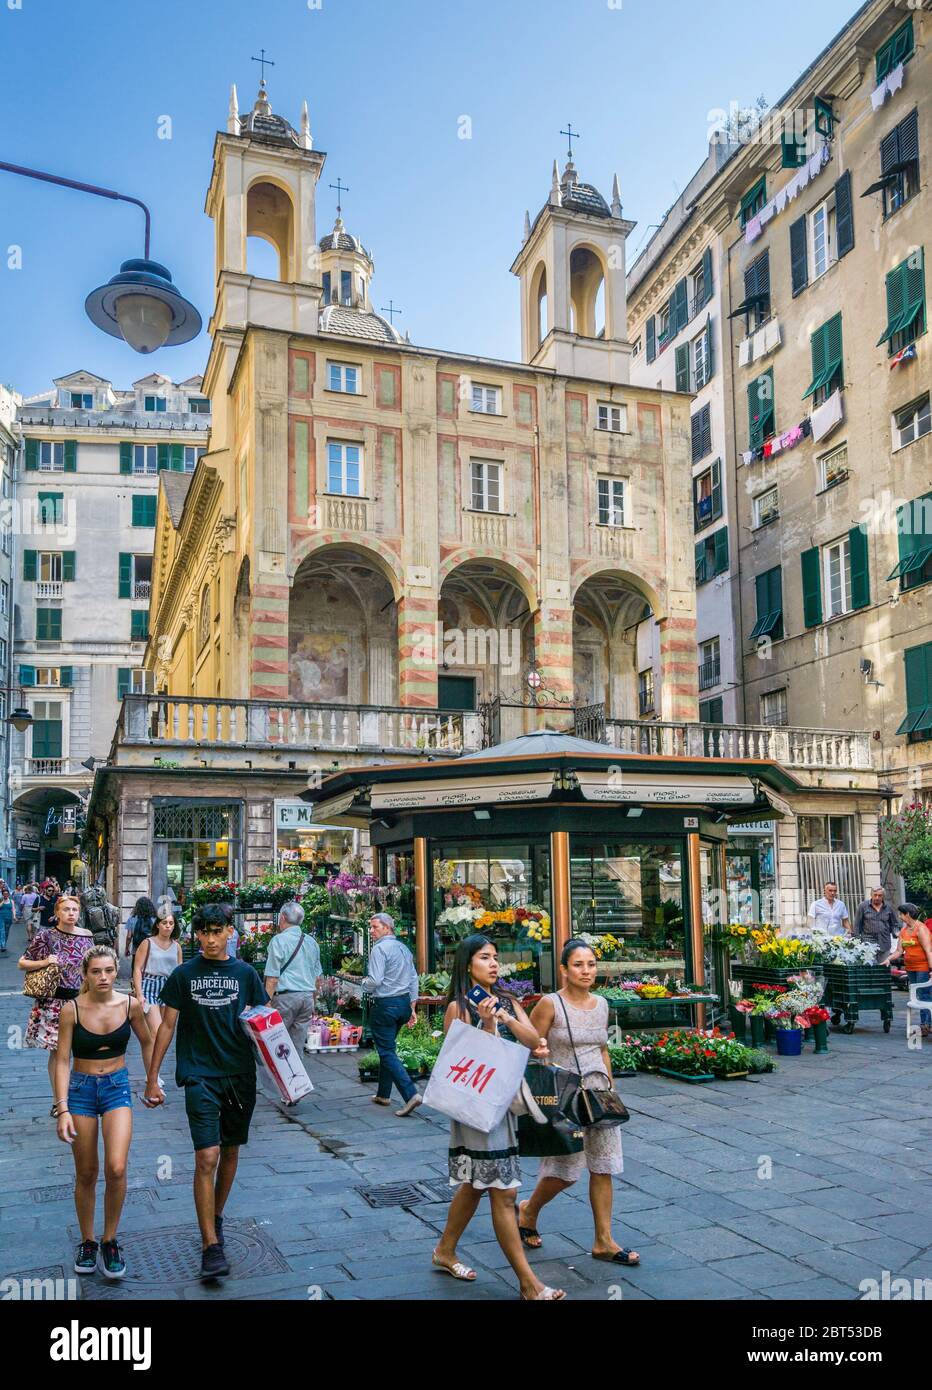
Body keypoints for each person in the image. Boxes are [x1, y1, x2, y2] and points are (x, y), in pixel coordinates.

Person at [431, 934, 564, 1301]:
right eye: (484, 957)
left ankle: (445, 1250)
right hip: (476, 1110)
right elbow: (457, 1060)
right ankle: (528, 1283)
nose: (493, 964)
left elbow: (533, 1039)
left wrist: (503, 1016)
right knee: (504, 1193)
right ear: (467, 964)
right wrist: (487, 1026)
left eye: (495, 957)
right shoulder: (459, 1006)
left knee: (476, 1184)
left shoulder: (506, 1000)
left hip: (503, 1104)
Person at [143, 902, 268, 1281]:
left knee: (230, 1150)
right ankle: (210, 1245)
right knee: (206, 1157)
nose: (211, 939)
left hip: (239, 1074)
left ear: (231, 931)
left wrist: (287, 1078)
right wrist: (152, 1077)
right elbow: (166, 1026)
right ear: (195, 935)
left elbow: (266, 1023)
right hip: (199, 1075)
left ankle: (215, 1215)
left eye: (218, 931)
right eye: (204, 932)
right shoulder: (183, 974)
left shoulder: (246, 973)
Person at [517, 939, 639, 1266]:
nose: (586, 971)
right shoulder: (549, 1004)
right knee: (566, 1172)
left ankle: (604, 1241)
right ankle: (528, 1210)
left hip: (598, 1095)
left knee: (604, 1166)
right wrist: (538, 1056)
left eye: (591, 964)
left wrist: (610, 1089)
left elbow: (602, 1049)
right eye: (578, 965)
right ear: (563, 969)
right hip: (564, 1097)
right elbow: (529, 1045)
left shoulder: (601, 1004)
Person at [54, 946, 157, 1279]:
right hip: (81, 1091)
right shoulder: (71, 1010)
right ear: (85, 973)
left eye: (109, 971)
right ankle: (88, 1241)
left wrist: (152, 1081)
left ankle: (110, 1239)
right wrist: (62, 1108)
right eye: (96, 971)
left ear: (116, 972)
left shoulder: (130, 1005)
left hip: (117, 1087)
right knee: (86, 1171)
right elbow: (62, 1060)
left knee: (116, 1166)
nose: (103, 977)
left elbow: (147, 1041)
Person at [18, 894, 95, 1111]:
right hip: (54, 1001)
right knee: (58, 1052)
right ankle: (58, 1100)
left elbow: (92, 966)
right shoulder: (46, 936)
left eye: (75, 910)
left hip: (82, 1000)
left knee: (81, 1050)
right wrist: (45, 961)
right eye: (66, 909)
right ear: (57, 913)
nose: (71, 913)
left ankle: (79, 1096)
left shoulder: (87, 936)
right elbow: (22, 962)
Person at [361, 912, 421, 1116]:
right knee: (388, 1048)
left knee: (386, 1051)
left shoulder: (379, 949)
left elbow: (375, 981)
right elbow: (414, 978)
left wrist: (363, 984)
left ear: (387, 928)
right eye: (371, 927)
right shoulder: (404, 948)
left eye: (375, 927)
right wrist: (412, 1007)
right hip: (403, 1003)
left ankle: (410, 1093)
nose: (371, 931)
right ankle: (383, 1094)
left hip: (385, 1005)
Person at [263, 902, 322, 1061]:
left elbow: (273, 977)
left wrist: (266, 1004)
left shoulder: (278, 941)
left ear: (282, 918)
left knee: (276, 1044)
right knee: (296, 1047)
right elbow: (318, 978)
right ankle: (296, 1083)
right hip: (306, 998)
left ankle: (279, 1083)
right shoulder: (312, 942)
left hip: (284, 999)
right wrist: (313, 1001)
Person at [133, 903, 182, 1038]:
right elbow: (137, 969)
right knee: (156, 1030)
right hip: (150, 986)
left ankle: (154, 1059)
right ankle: (151, 1058)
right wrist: (139, 994)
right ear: (158, 925)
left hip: (169, 987)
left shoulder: (176, 946)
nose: (168, 926)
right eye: (165, 922)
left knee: (164, 1033)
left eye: (171, 923)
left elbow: (179, 971)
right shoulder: (147, 943)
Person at [891, 905, 932, 1036]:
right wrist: (888, 960)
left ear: (907, 914)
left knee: (924, 994)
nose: (899, 916)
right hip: (910, 968)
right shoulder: (904, 931)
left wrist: (931, 969)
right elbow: (899, 951)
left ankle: (926, 1024)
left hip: (923, 967)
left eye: (901, 914)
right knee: (917, 996)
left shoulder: (921, 929)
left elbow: (929, 950)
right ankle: (925, 1024)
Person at [852, 887, 900, 965]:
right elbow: (857, 925)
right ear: (871, 895)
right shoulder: (863, 906)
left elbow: (894, 924)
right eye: (875, 895)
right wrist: (857, 941)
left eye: (880, 895)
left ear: (883, 896)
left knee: (884, 969)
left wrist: (896, 933)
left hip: (884, 943)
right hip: (868, 943)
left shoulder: (888, 907)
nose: (877, 897)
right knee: (870, 969)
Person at [0, 885, 12, 955]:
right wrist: (3, 900)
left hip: (9, 918)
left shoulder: (11, 901)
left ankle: (3, 943)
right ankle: (3, 946)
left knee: (6, 932)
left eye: (7, 894)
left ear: (8, 894)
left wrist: (14, 916)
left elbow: (13, 909)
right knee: (2, 931)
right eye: (4, 894)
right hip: (1, 917)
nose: (6, 895)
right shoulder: (1, 900)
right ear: (2, 894)